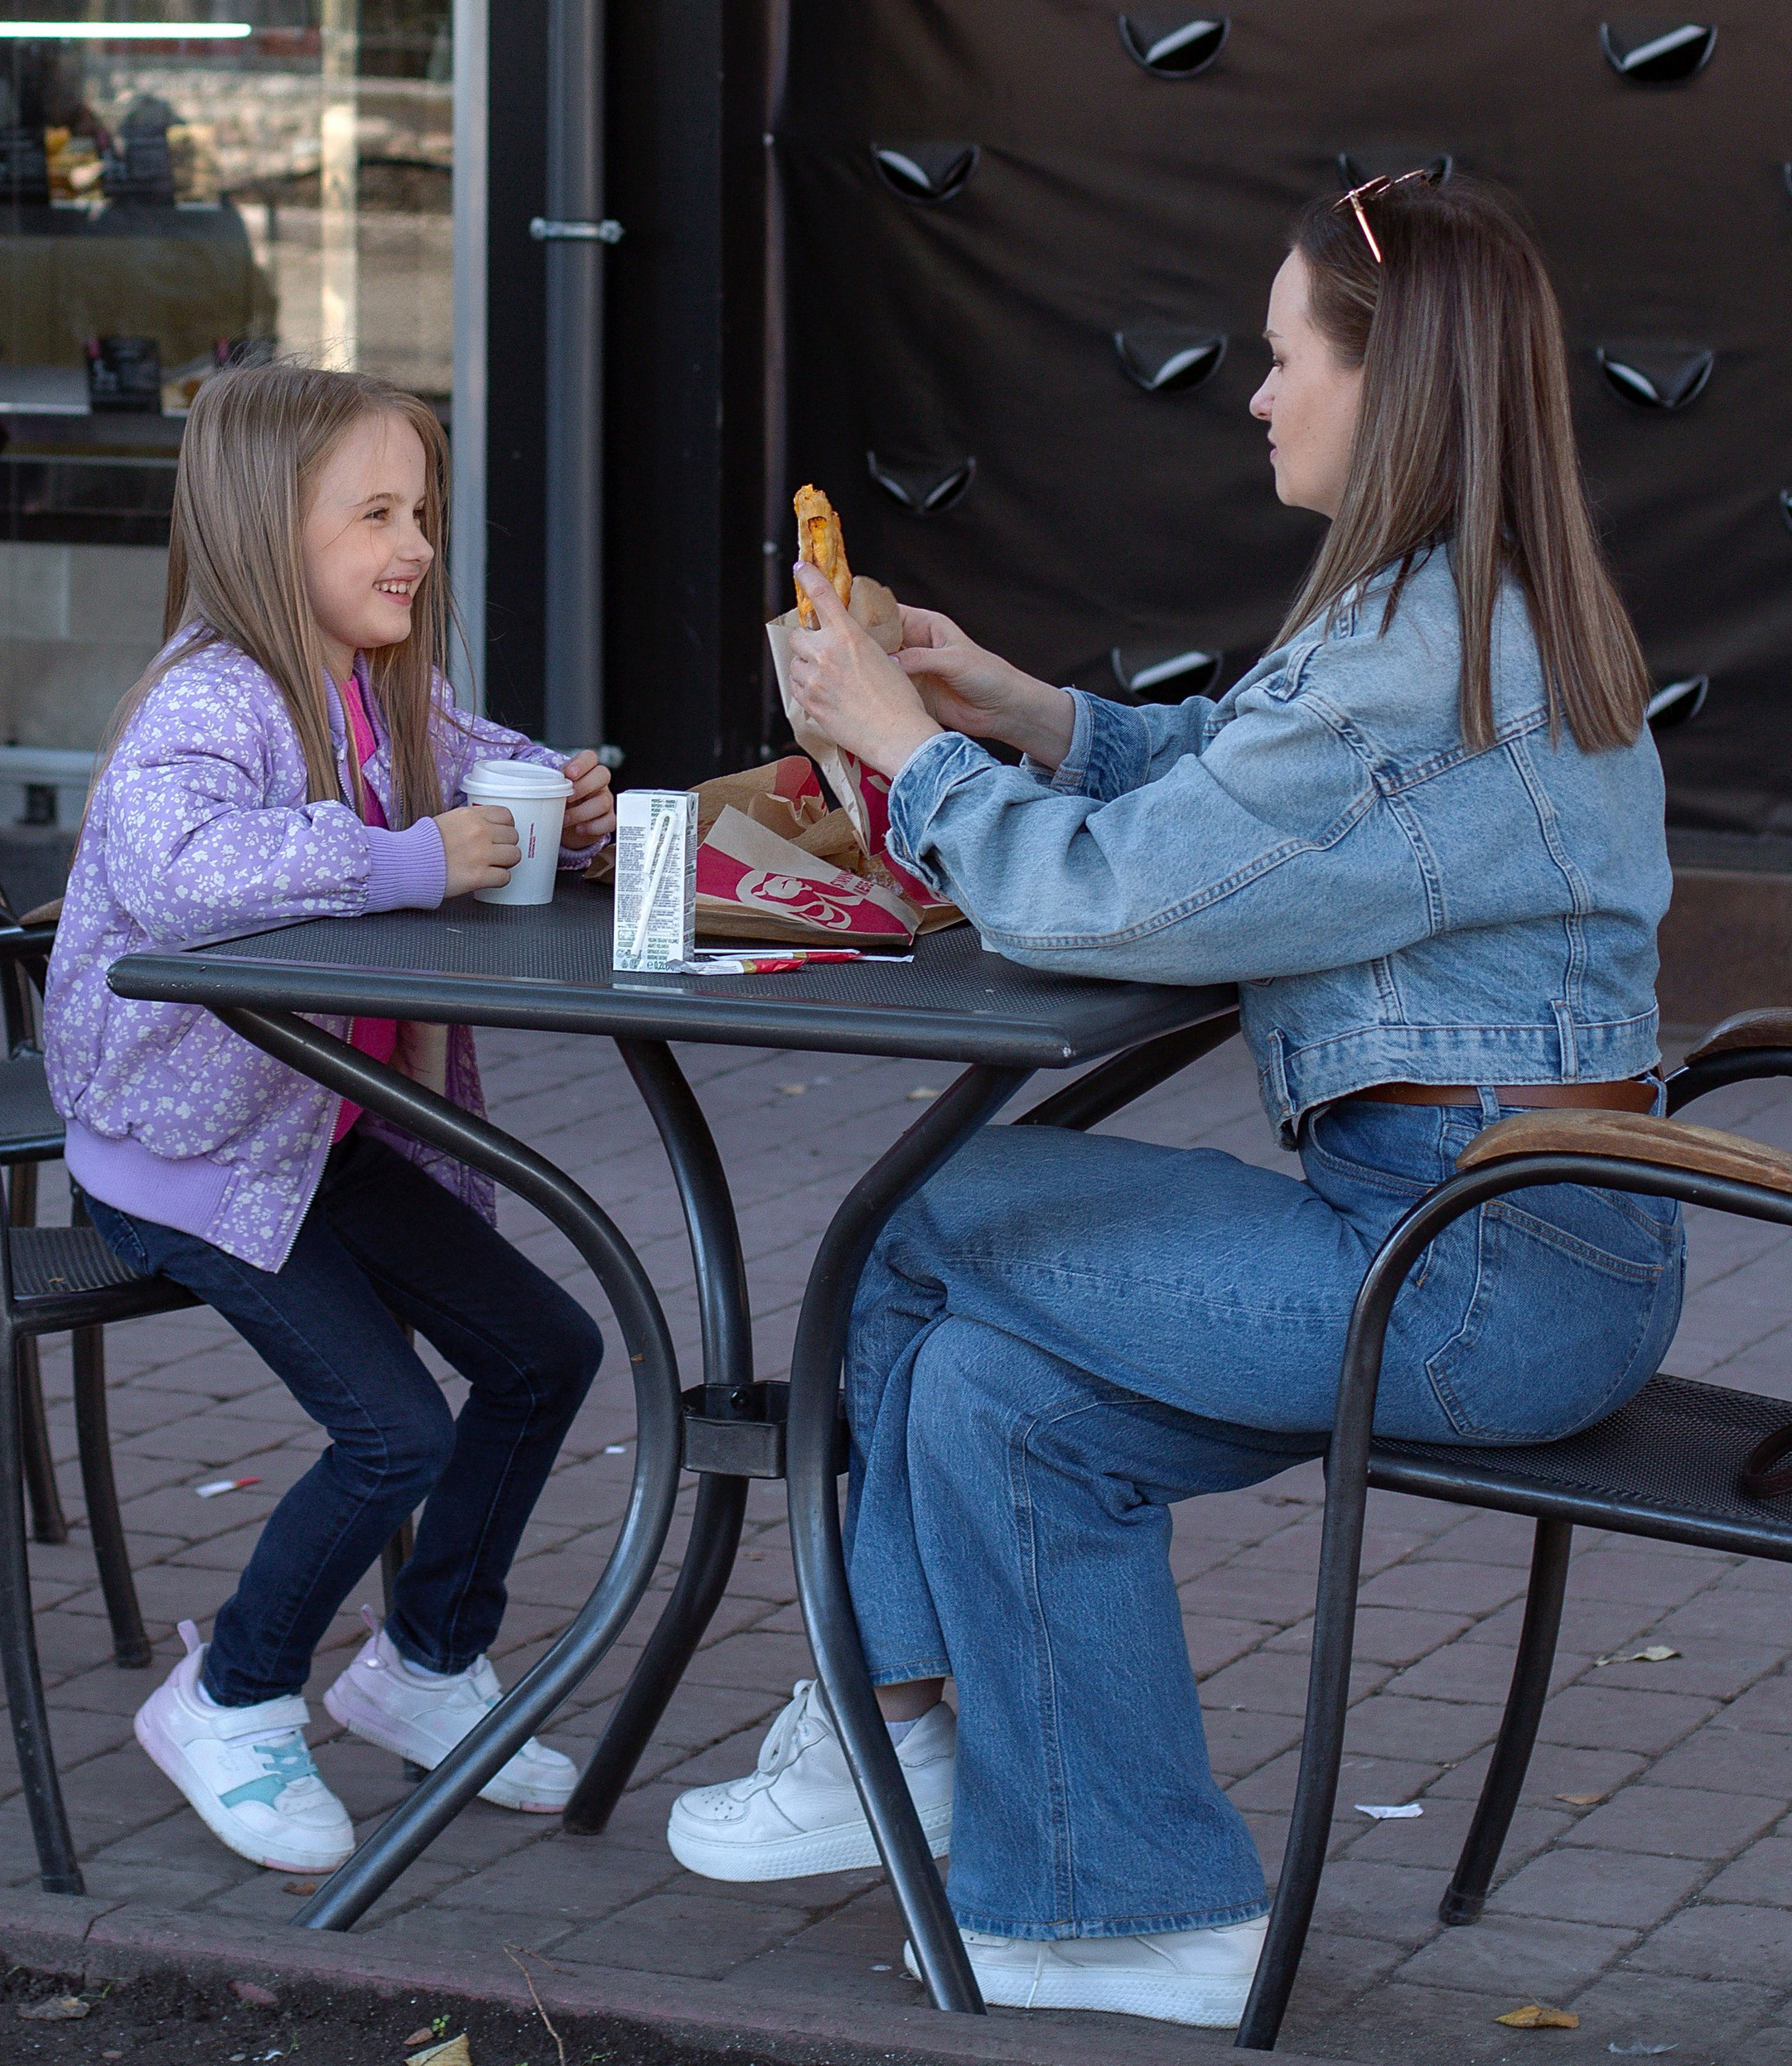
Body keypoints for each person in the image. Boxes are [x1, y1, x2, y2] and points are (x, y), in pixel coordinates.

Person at [669, 174, 1681, 2029]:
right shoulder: (1459, 609)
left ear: (1390, 383)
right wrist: (1022, 711)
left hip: (1461, 1261)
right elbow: (1242, 785)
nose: (1257, 395)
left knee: (916, 1225)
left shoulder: (1409, 659)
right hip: (1525, 1239)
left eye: (1283, 356)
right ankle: (1126, 1914)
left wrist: (901, 752)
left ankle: (875, 1715)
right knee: (990, 1401)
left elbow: (1106, 900)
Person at [46, 361, 616, 1873]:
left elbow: (476, 765)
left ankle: (424, 1664)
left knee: (547, 1352)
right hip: (183, 1156)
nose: (415, 545)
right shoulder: (209, 698)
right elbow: (180, 872)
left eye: (419, 511)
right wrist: (410, 858)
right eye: (375, 513)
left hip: (320, 1131)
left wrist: (564, 807)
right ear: (262, 526)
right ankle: (230, 1697)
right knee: (392, 1433)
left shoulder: (381, 683)